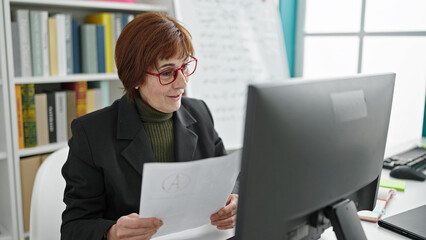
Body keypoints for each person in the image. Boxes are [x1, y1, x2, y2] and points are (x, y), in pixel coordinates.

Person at [61, 12, 238, 240]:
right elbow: (74, 228)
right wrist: (112, 233)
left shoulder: (200, 112)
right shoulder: (91, 134)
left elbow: (228, 176)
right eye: (167, 72)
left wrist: (234, 198)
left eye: (184, 67)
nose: (183, 83)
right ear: (134, 77)